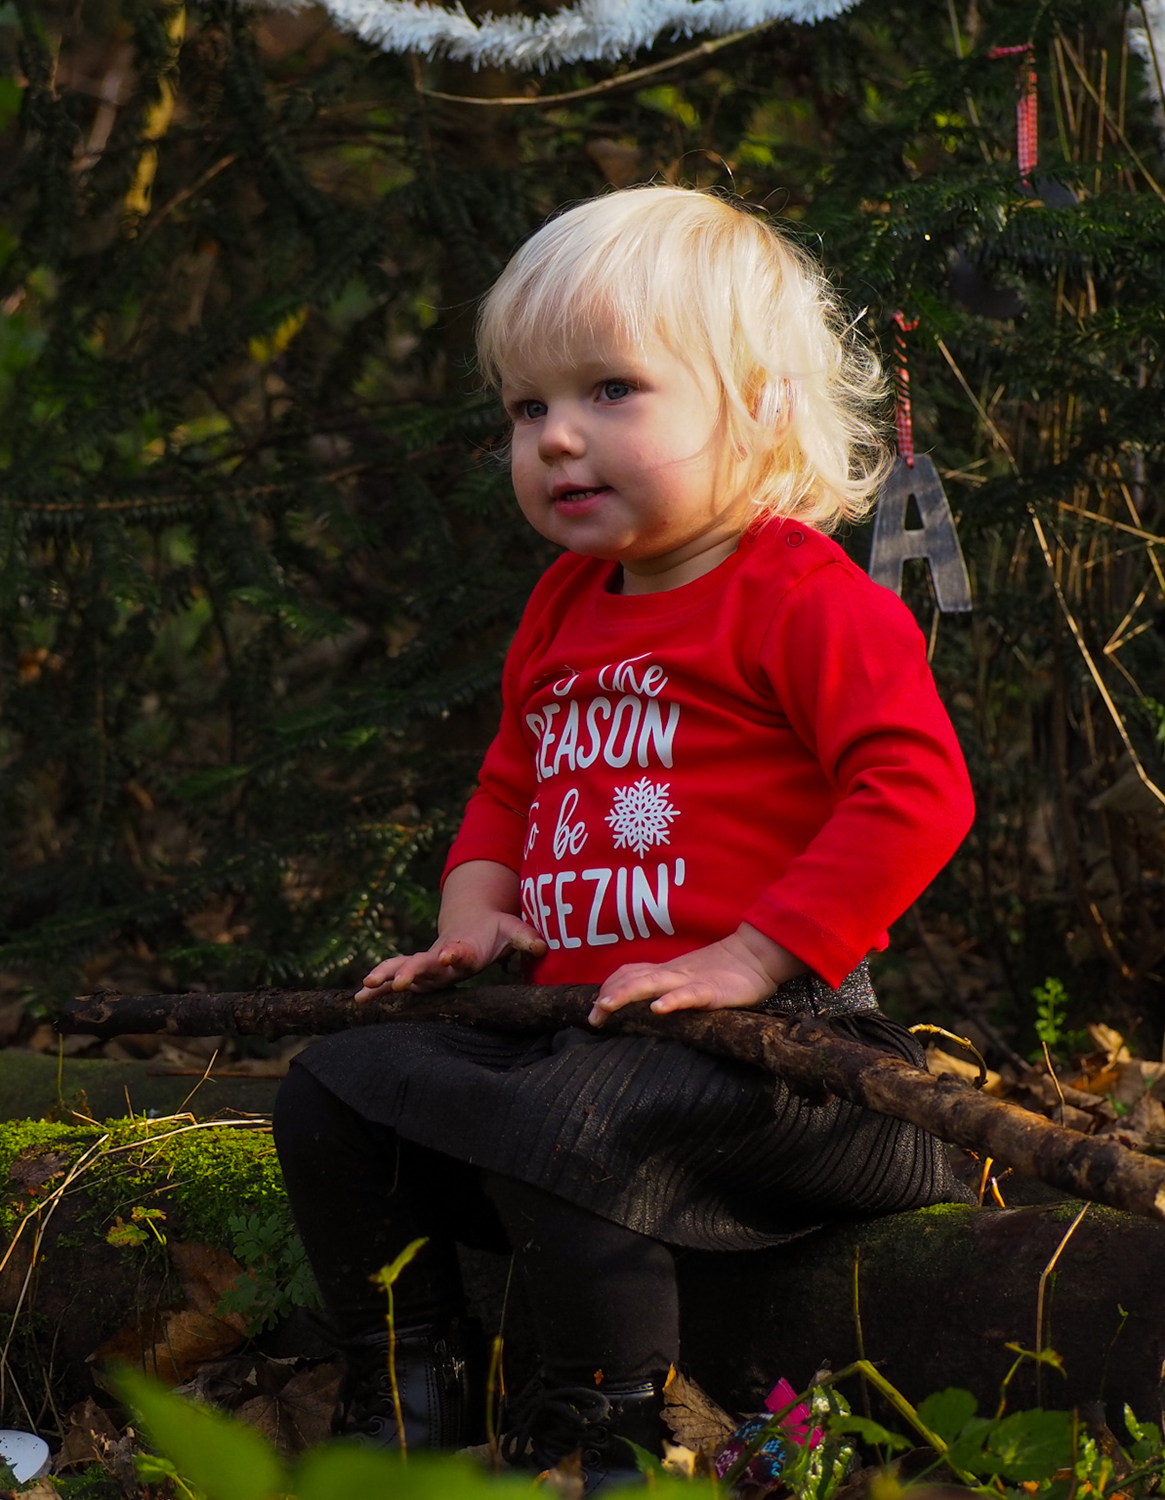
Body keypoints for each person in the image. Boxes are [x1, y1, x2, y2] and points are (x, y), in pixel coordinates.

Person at [272, 184, 975, 1489]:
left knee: (576, 1123)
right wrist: (474, 917)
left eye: (611, 391)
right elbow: (511, 779)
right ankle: (409, 1381)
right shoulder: (565, 603)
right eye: (525, 407)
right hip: (576, 1027)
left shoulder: (800, 598)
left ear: (757, 405)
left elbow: (916, 790)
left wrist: (751, 957)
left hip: (779, 1053)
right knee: (336, 1084)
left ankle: (601, 1430)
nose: (555, 436)